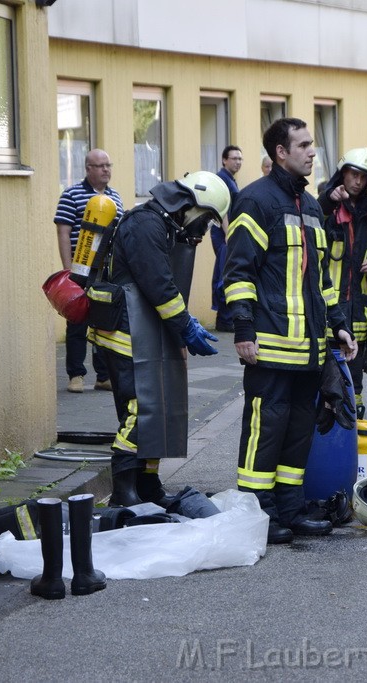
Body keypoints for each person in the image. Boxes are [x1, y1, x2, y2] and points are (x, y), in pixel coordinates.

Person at [223, 117, 358, 544]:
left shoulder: (312, 207)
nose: (312, 152)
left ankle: (289, 507)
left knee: (298, 431)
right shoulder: (255, 201)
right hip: (269, 345)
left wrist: (339, 326)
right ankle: (256, 513)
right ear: (281, 152)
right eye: (302, 145)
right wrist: (243, 328)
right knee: (266, 430)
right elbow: (238, 271)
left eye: (312, 144)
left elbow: (322, 281)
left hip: (310, 349)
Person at [87, 172, 230, 507]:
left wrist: (184, 324)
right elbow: (159, 285)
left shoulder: (162, 224)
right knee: (140, 411)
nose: (204, 229)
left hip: (142, 334)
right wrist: (186, 325)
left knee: (159, 412)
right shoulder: (144, 225)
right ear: (193, 206)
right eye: (207, 219)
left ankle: (148, 484)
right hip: (124, 335)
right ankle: (124, 492)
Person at [318, 148, 367, 419]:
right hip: (327, 303)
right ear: (342, 173)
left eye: (364, 177)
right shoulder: (326, 204)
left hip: (358, 308)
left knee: (354, 373)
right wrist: (328, 202)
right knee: (324, 369)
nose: (358, 181)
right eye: (353, 174)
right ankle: (325, 421)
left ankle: (353, 421)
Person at [54, 149, 123, 393]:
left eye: (108, 165)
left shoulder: (115, 197)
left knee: (105, 323)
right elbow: (63, 231)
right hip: (80, 269)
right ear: (88, 169)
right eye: (100, 165)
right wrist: (67, 268)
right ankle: (76, 376)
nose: (106, 169)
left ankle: (103, 376)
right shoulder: (72, 195)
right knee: (77, 322)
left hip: (106, 271)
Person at [210, 145, 243, 333]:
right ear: (224, 160)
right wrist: (229, 235)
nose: (238, 162)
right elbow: (222, 209)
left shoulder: (230, 179)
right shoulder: (223, 179)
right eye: (234, 158)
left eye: (240, 159)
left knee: (225, 274)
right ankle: (224, 319)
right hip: (224, 235)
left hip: (225, 235)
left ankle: (224, 319)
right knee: (225, 276)